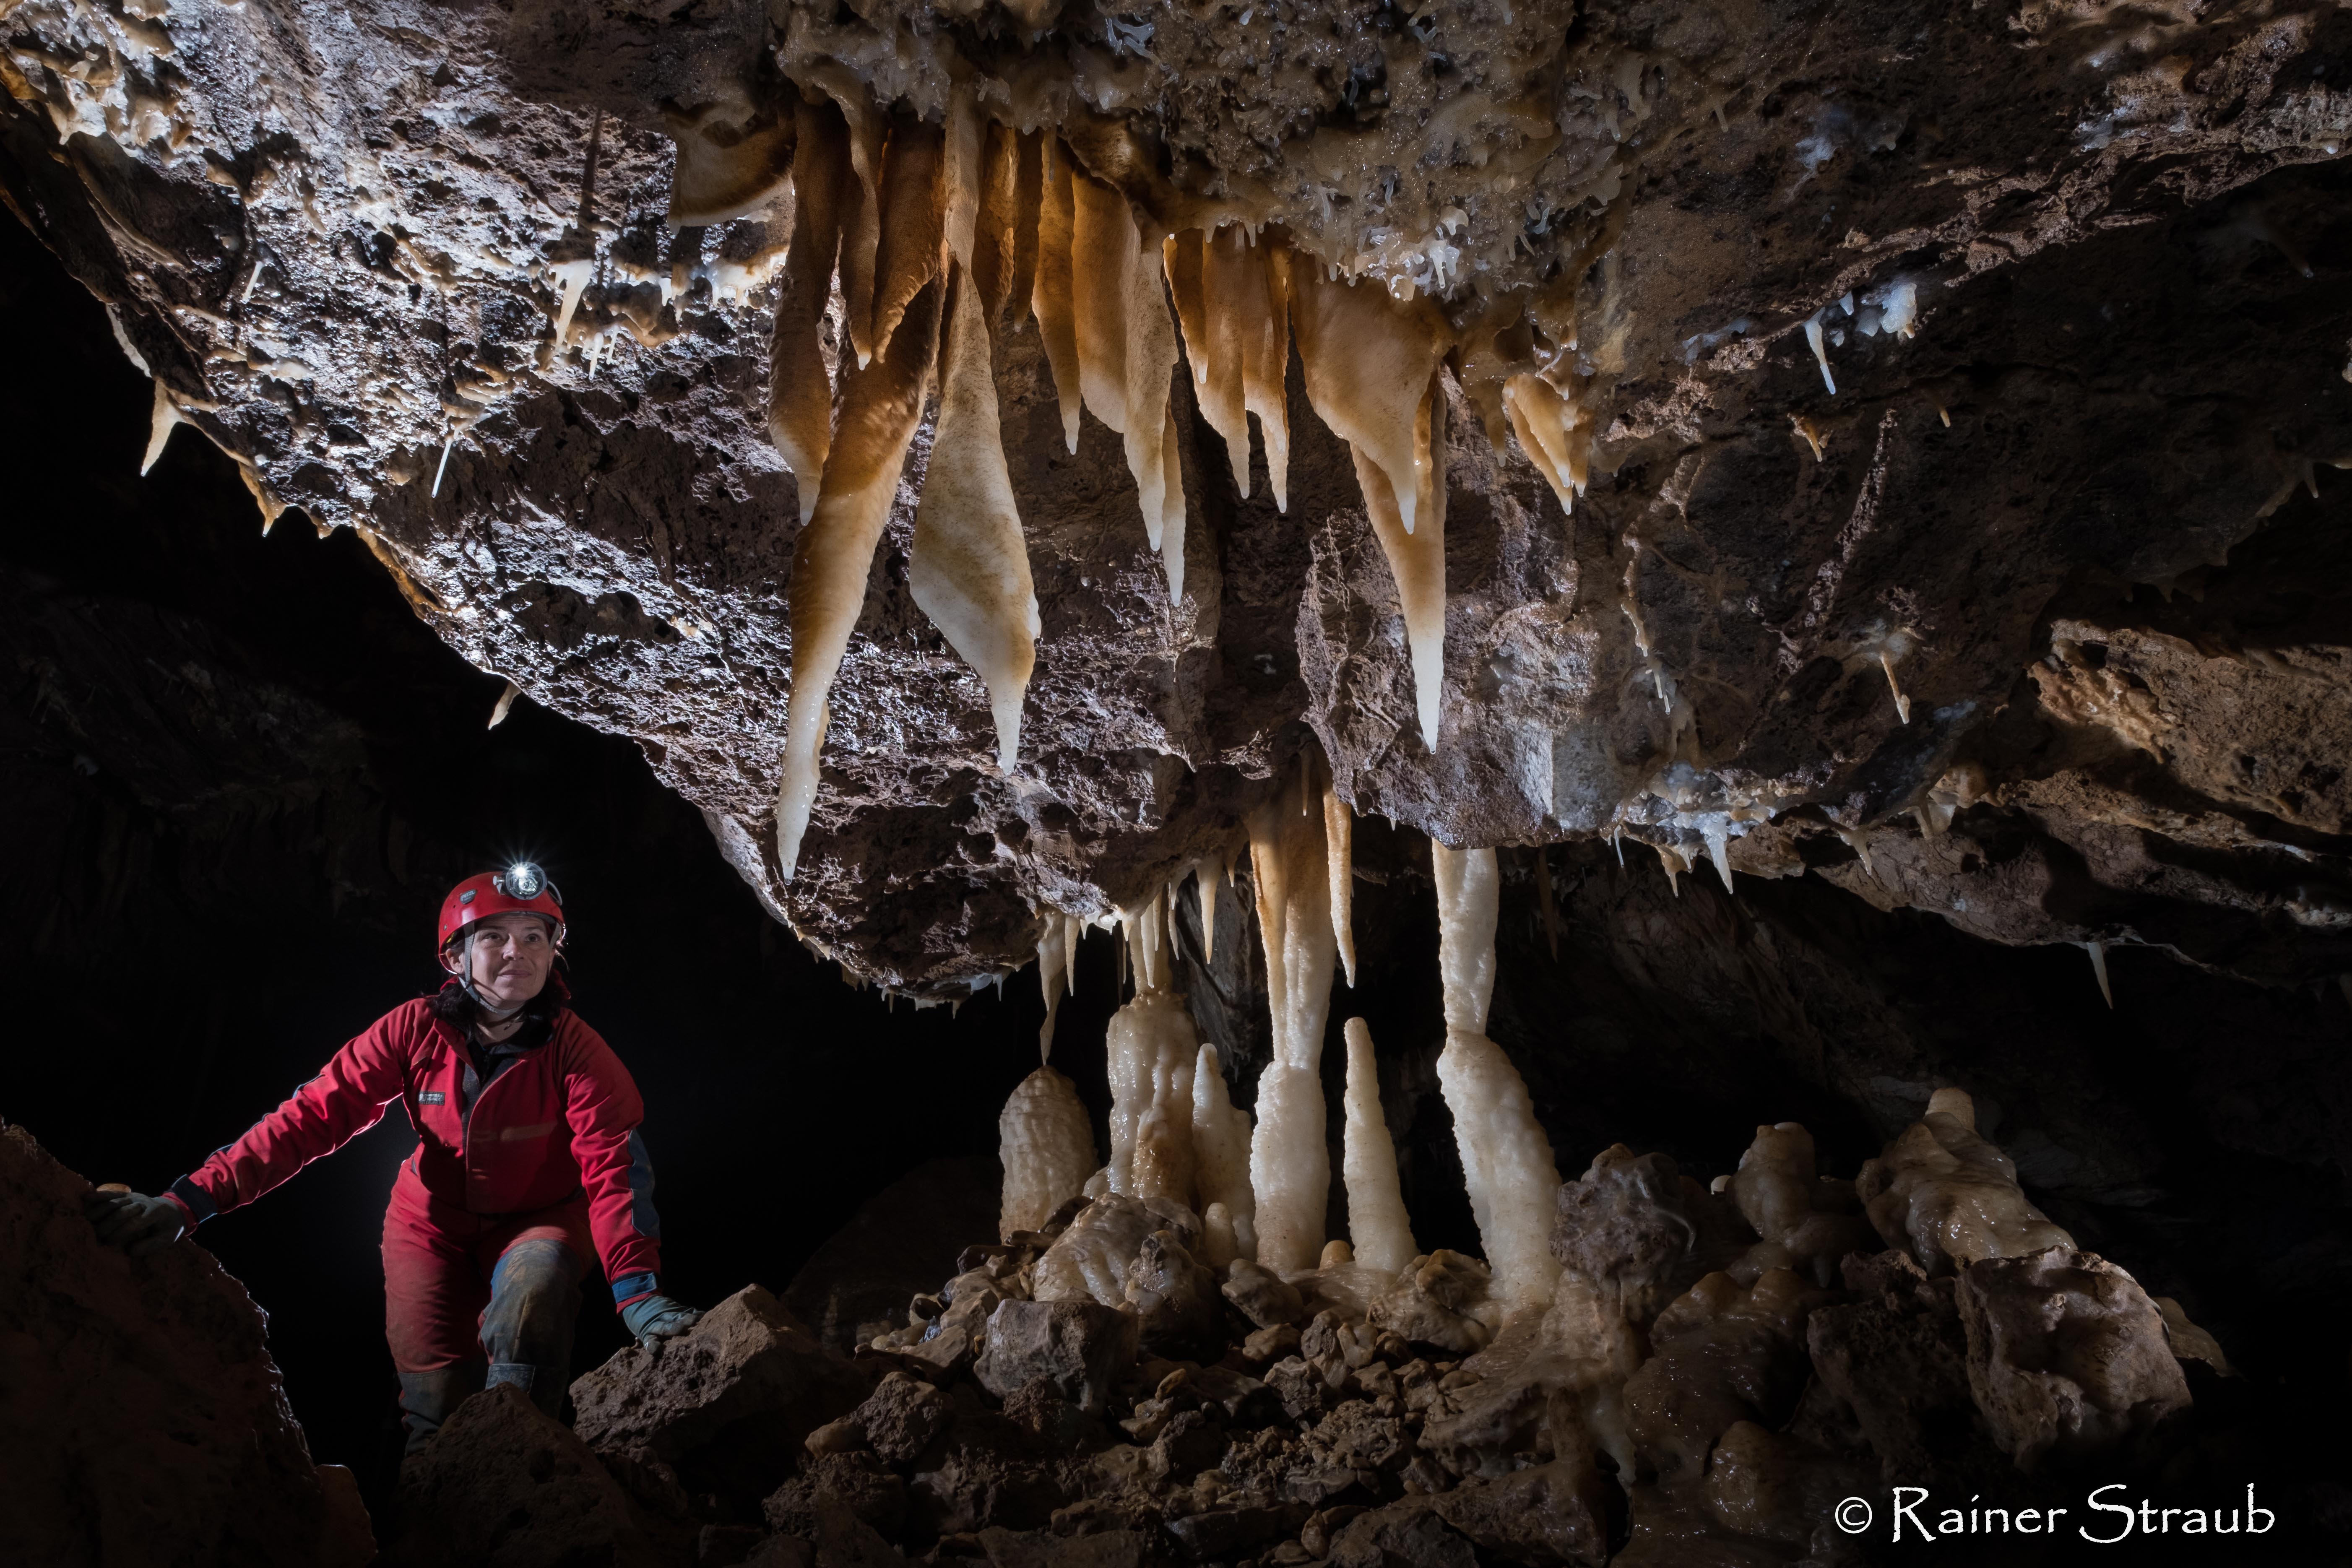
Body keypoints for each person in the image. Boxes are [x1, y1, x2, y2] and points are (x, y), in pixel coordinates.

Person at [85, 863, 701, 1451]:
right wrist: (186, 1203)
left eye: (534, 937)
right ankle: (434, 1513)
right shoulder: (414, 1030)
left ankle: (522, 1478)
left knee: (533, 1301)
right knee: (436, 1405)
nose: (518, 952)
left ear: (553, 953)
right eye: (494, 937)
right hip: (427, 1226)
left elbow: (613, 1164)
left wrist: (637, 1291)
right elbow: (310, 1118)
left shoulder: (575, 1050)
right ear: (456, 957)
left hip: (537, 1219)